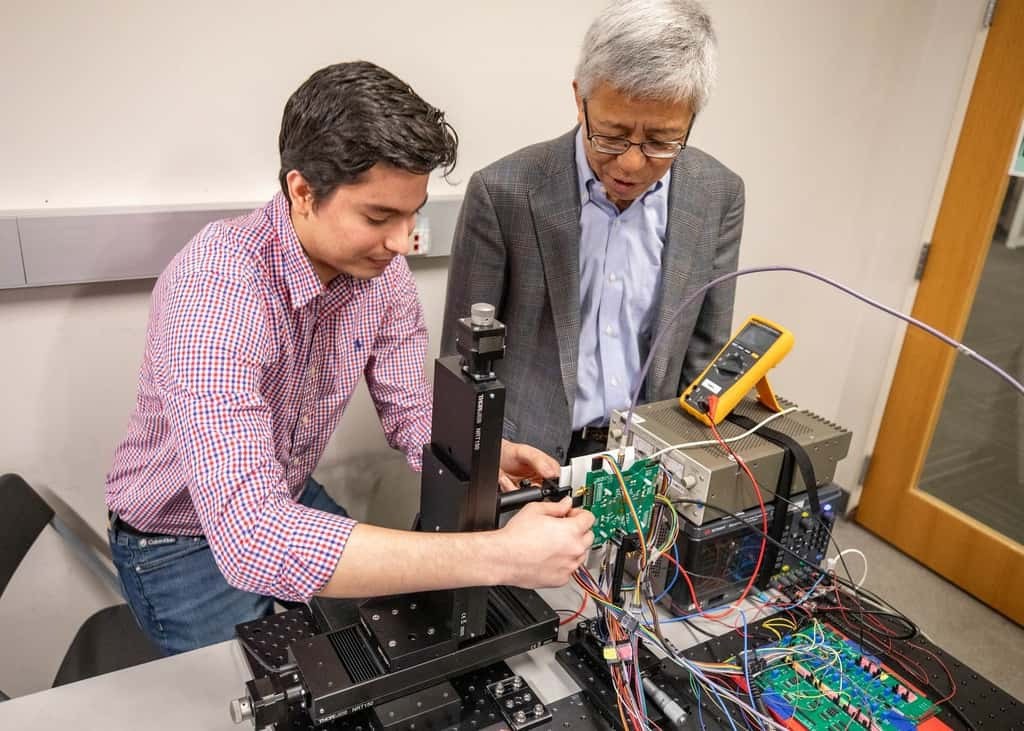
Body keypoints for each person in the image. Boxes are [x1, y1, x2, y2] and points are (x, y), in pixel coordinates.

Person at [105, 61, 594, 656]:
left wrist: (482, 455)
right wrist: (496, 557)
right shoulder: (217, 292)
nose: (401, 241)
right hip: (179, 540)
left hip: (282, 490)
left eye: (412, 214)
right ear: (302, 191)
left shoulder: (379, 275)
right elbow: (254, 538)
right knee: (257, 692)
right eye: (379, 217)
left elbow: (413, 417)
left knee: (364, 648)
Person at [441, 0, 744, 463]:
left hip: (646, 457)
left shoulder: (717, 195)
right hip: (526, 458)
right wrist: (484, 460)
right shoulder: (505, 193)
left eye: (661, 142)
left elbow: (704, 360)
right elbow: (464, 368)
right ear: (579, 98)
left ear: (692, 117)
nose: (631, 163)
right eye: (612, 134)